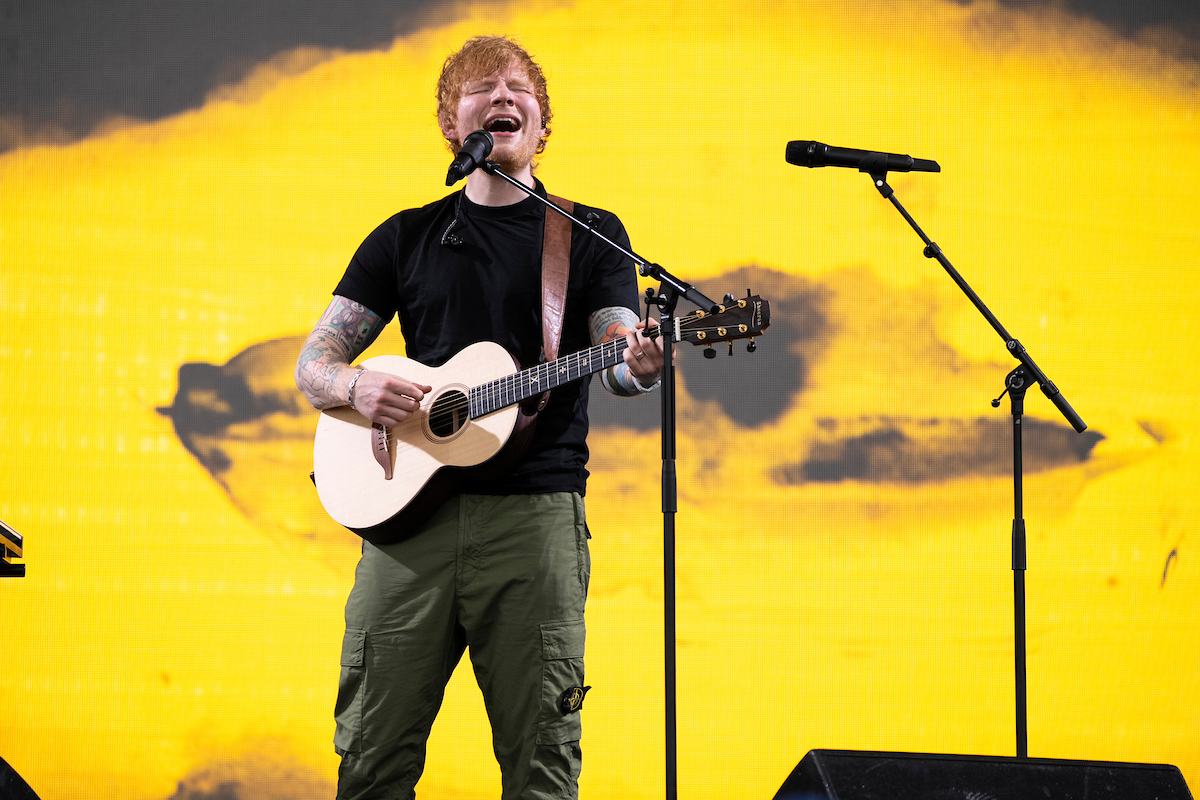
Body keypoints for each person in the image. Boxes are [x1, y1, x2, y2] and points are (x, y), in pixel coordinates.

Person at [294, 34, 666, 800]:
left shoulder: (590, 235)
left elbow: (617, 356)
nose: (501, 96)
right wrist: (357, 388)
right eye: (480, 88)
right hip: (407, 527)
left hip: (534, 521)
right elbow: (314, 366)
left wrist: (638, 363)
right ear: (449, 122)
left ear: (542, 123)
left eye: (517, 88)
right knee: (369, 761)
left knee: (541, 766)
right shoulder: (405, 236)